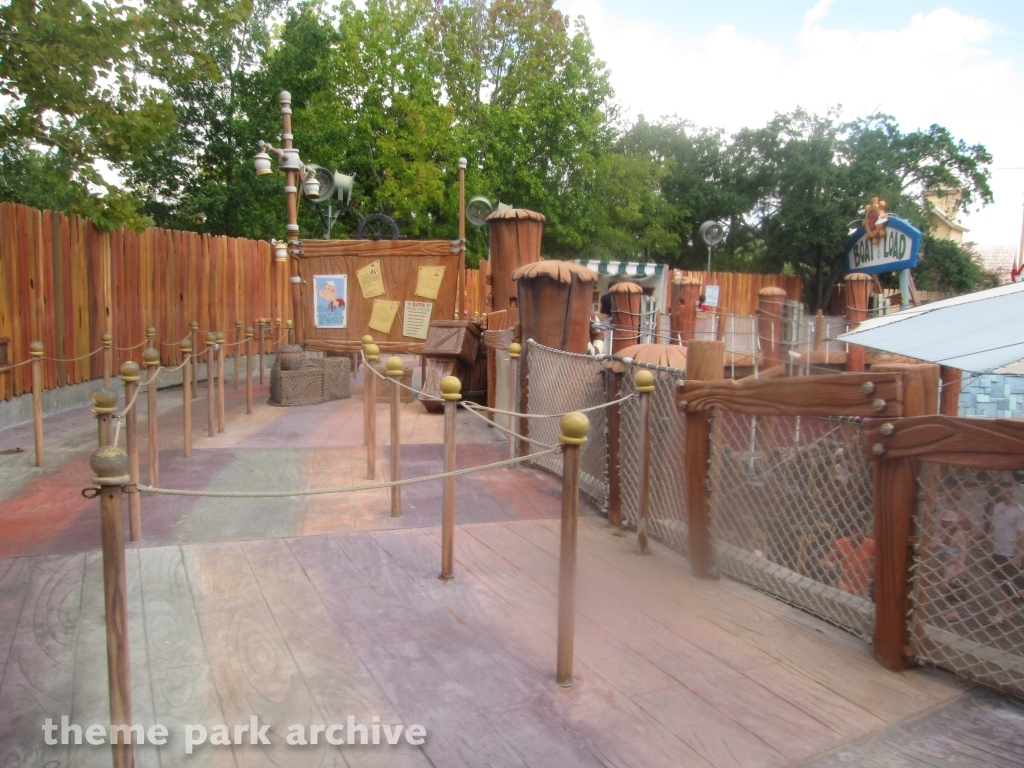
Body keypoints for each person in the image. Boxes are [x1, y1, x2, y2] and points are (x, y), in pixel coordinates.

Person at [991, 479, 1024, 624]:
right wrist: (988, 548)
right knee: (1005, 582)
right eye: (1005, 491)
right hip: (998, 549)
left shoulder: (1019, 510)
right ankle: (1009, 610)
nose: (1008, 494)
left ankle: (1001, 612)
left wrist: (1018, 555)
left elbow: (1021, 534)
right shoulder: (997, 507)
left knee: (1006, 583)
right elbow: (993, 528)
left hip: (1011, 552)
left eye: (1010, 491)